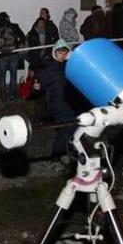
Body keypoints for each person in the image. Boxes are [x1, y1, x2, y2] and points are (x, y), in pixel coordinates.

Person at [40, 39, 77, 172]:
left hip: (70, 103)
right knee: (65, 130)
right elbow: (42, 85)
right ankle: (55, 159)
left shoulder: (70, 67)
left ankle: (64, 153)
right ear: (55, 53)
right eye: (60, 52)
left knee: (73, 129)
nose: (62, 55)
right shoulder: (50, 68)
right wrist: (37, 86)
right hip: (57, 104)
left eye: (65, 52)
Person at [0, 12, 25, 102]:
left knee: (2, 76)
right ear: (8, 17)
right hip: (13, 53)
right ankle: (12, 95)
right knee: (13, 75)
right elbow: (22, 37)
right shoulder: (15, 26)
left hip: (3, 54)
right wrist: (17, 45)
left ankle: (3, 97)